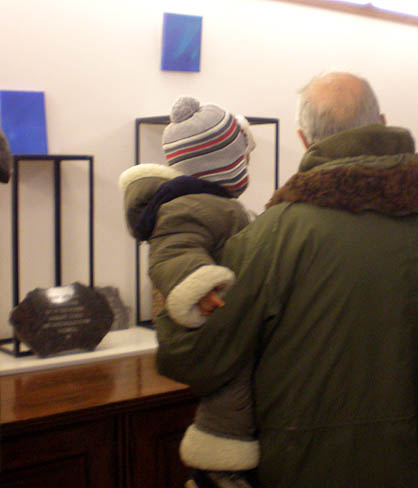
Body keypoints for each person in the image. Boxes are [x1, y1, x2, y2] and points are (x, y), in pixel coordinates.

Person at [152, 71, 418, 487]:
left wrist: (175, 291)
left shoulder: (279, 232)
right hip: (415, 461)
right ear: (382, 122)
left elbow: (196, 356)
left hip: (309, 464)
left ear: (303, 139)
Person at [119, 96, 260, 488]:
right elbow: (174, 253)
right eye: (242, 159)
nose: (247, 166)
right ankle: (219, 467)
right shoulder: (191, 208)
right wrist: (199, 284)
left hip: (227, 317)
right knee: (232, 391)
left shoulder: (212, 204)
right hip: (214, 319)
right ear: (223, 165)